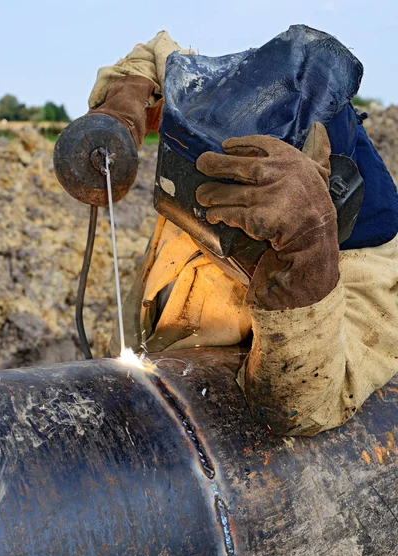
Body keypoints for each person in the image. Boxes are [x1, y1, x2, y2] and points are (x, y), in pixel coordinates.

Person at [85, 28, 398, 436]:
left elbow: (308, 403)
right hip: (141, 377)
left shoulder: (378, 277)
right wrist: (126, 100)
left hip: (207, 436)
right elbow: (159, 56)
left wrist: (307, 255)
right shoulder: (232, 91)